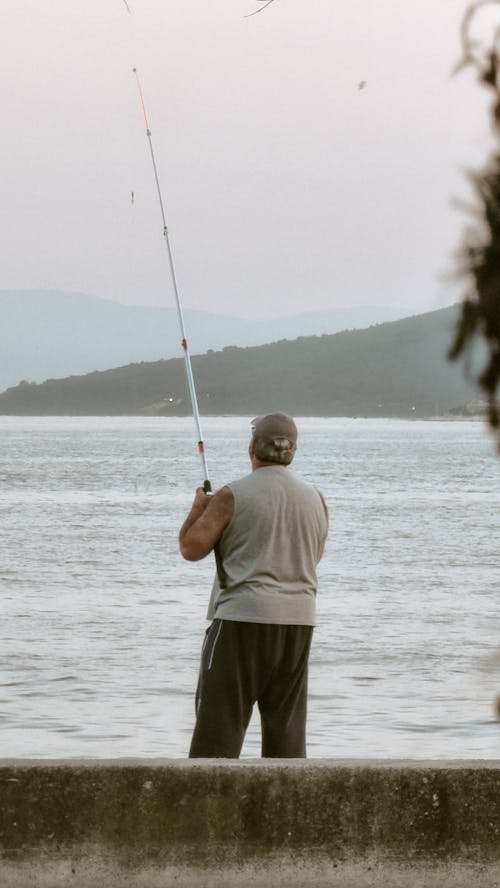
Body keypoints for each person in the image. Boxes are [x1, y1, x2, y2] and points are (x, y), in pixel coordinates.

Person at [179, 413, 329, 758]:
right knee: (287, 739)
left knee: (217, 736)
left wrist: (198, 509)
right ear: (292, 450)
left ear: (252, 448)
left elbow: (192, 548)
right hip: (299, 622)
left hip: (241, 622)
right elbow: (311, 558)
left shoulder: (232, 495)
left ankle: (210, 808)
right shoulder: (316, 499)